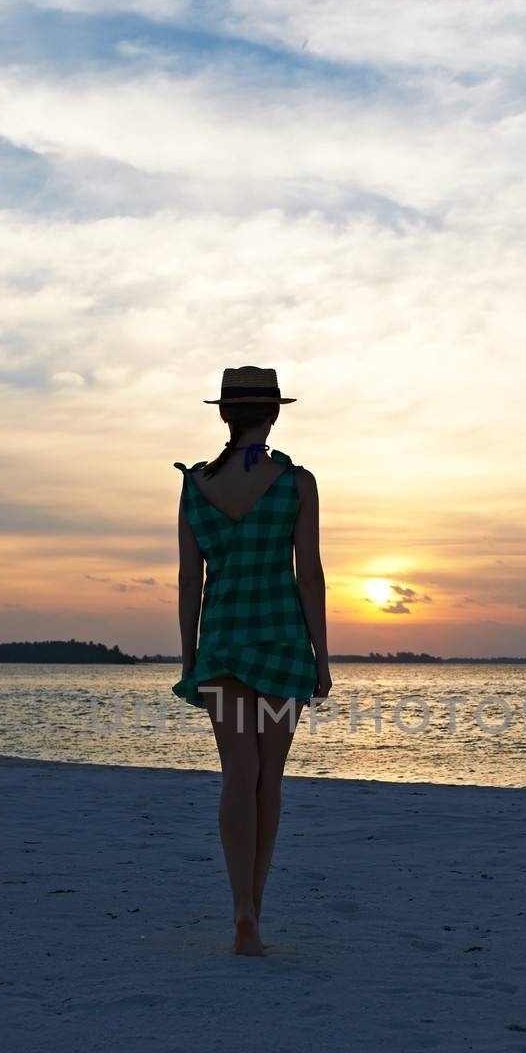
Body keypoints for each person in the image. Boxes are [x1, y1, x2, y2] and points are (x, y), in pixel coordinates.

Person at [173, 366, 332, 955]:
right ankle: (256, 909)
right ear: (275, 414)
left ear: (223, 415)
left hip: (221, 643)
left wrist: (190, 658)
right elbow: (309, 575)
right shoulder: (296, 482)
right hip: (283, 642)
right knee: (270, 779)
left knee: (238, 774)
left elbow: (191, 580)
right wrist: (322, 656)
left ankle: (240, 904)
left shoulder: (195, 486)